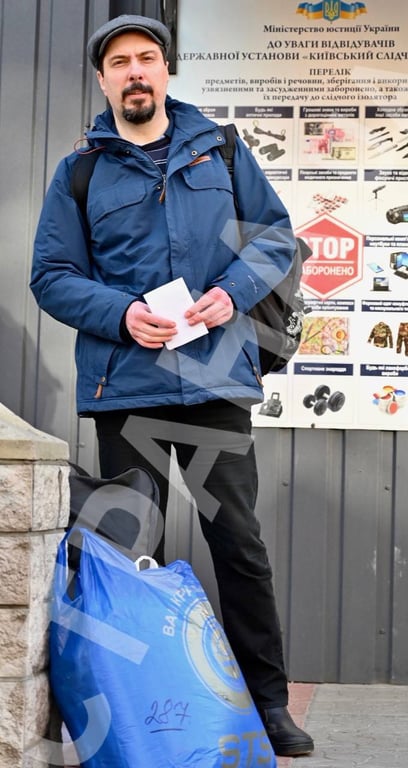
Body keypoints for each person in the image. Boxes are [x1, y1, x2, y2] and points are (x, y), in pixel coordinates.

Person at [31, 14, 314, 757]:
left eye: (147, 58)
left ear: (165, 70)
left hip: (213, 385)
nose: (135, 71)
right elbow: (51, 276)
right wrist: (122, 314)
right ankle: (143, 713)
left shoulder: (219, 148)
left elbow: (274, 235)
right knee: (130, 554)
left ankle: (269, 704)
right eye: (120, 62)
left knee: (238, 545)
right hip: (128, 391)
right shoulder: (80, 172)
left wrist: (233, 292)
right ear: (103, 80)